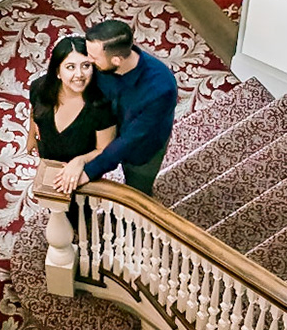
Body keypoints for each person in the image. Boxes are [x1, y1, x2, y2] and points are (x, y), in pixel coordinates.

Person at [50, 18, 177, 197]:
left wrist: (89, 171)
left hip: (142, 148)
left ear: (116, 60)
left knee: (137, 190)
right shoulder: (104, 64)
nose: (89, 61)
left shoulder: (161, 89)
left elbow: (130, 140)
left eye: (93, 58)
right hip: (103, 133)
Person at [26, 35, 116, 182]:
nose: (79, 74)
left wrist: (80, 161)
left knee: (82, 203)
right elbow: (34, 111)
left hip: (84, 165)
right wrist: (31, 137)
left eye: (86, 66)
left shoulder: (102, 103)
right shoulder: (39, 88)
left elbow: (104, 149)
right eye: (70, 67)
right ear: (57, 72)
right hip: (50, 153)